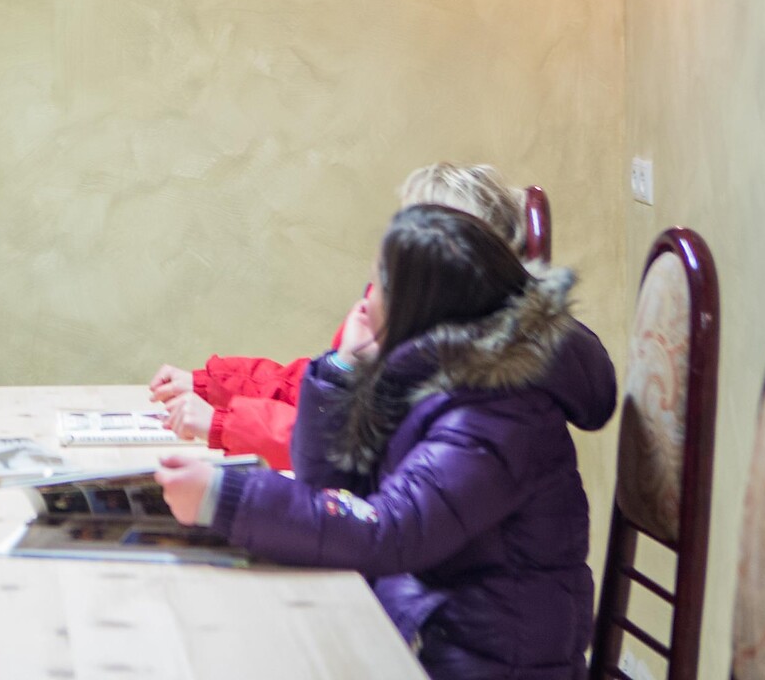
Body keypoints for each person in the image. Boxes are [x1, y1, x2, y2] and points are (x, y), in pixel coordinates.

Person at [156, 205, 616, 680]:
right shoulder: (439, 376)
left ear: (420, 306)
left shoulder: (494, 415)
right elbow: (333, 487)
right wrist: (342, 370)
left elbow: (389, 530)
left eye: (379, 282)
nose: (366, 297)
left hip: (483, 662)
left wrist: (226, 496)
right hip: (432, 635)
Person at [148, 164, 527, 467]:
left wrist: (224, 423)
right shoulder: (406, 322)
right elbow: (318, 393)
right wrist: (214, 385)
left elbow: (344, 446)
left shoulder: (453, 363)